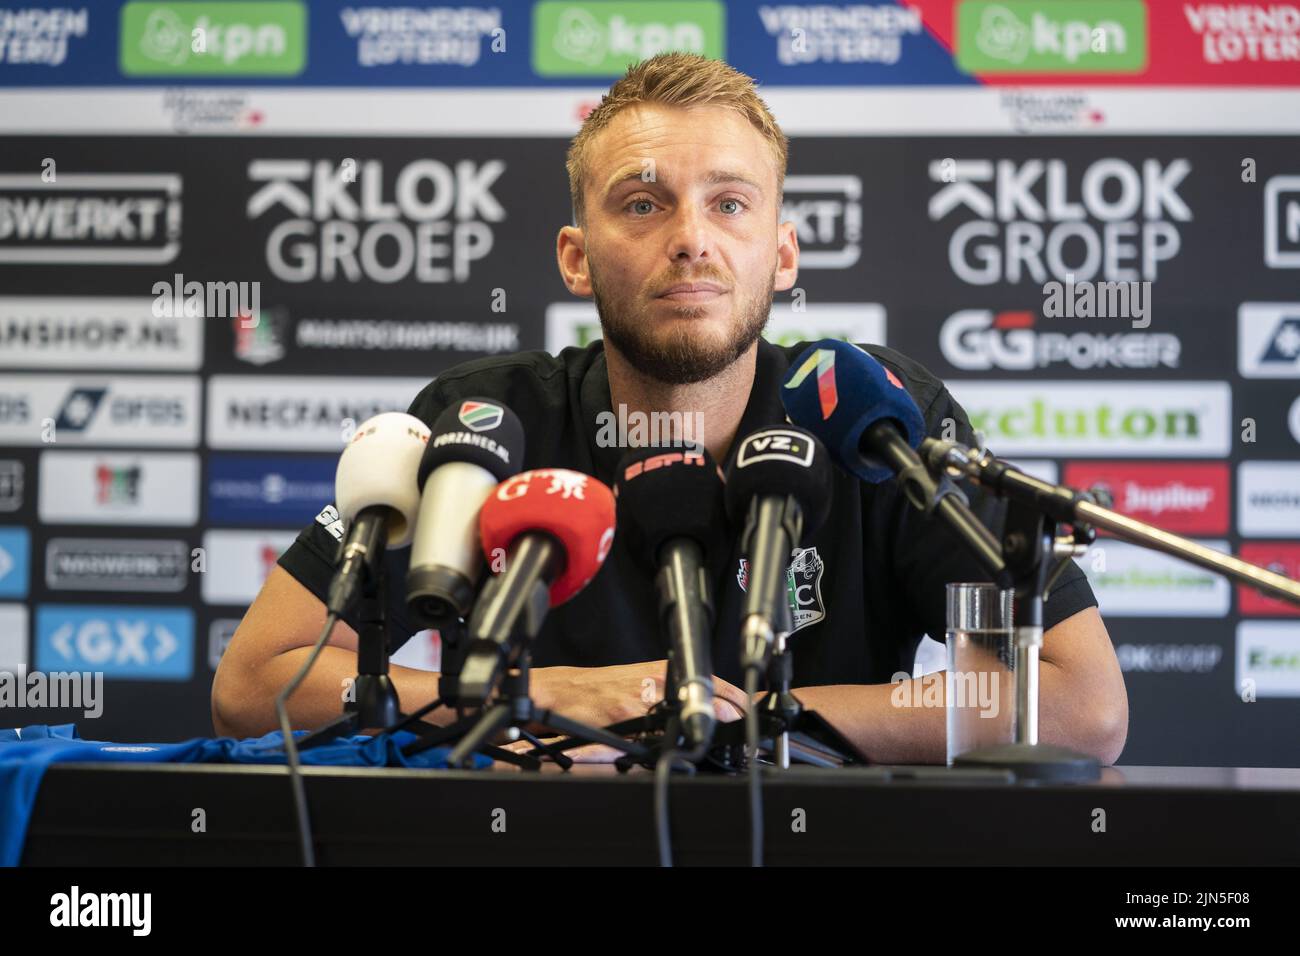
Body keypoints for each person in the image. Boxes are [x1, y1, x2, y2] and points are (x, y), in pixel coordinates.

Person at [212, 53, 1128, 765]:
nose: (690, 239)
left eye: (729, 204)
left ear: (782, 254)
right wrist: (552, 697)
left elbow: (1083, 706)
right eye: (643, 203)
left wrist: (744, 721)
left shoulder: (878, 418)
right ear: (575, 257)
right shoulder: (487, 421)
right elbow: (258, 681)